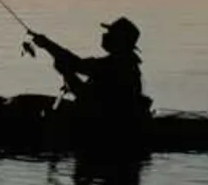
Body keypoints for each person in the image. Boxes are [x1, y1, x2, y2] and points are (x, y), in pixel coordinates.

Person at [27, 17, 152, 152]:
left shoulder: (113, 66)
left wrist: (67, 73)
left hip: (103, 126)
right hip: (115, 119)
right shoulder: (124, 63)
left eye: (110, 34)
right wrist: (47, 44)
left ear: (119, 41)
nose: (105, 36)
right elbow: (76, 64)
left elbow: (84, 95)